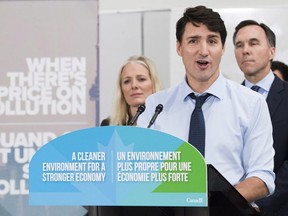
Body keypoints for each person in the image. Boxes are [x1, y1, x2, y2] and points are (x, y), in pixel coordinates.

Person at [137, 6, 275, 205]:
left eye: (212, 41)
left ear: (223, 48)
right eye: (193, 41)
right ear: (179, 47)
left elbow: (262, 178)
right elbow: (142, 171)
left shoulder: (252, 103)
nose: (203, 51)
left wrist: (215, 203)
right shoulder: (155, 106)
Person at [233, 19, 288, 215]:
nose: (245, 50)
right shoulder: (227, 100)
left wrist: (259, 203)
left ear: (272, 51)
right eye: (239, 45)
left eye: (253, 43)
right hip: (232, 208)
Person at [100, 55, 161, 126]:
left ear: (153, 83)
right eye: (127, 81)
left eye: (141, 79)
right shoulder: (109, 125)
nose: (134, 85)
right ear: (121, 88)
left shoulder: (168, 123)